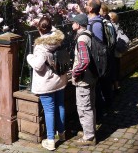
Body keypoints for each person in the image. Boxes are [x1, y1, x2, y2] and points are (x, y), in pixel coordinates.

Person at [26, 16, 67, 151]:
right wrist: (46, 24)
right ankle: (61, 134)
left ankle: (50, 141)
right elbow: (53, 30)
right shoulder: (57, 38)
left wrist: (29, 57)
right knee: (60, 106)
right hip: (59, 78)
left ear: (39, 29)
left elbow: (38, 66)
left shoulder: (41, 45)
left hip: (47, 81)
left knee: (49, 110)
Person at [69, 13, 97, 146]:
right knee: (90, 106)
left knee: (84, 108)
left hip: (84, 80)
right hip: (91, 77)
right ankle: (89, 131)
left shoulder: (81, 40)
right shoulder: (89, 34)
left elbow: (85, 60)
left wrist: (75, 72)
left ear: (78, 24)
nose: (72, 24)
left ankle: (89, 137)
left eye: (73, 22)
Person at [86, 0, 113, 117]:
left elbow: (99, 45)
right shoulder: (96, 20)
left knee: (100, 86)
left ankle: (102, 111)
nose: (85, 6)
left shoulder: (95, 24)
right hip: (97, 61)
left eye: (87, 4)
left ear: (91, 8)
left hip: (97, 61)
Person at [108, 11, 130, 91]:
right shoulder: (117, 26)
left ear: (112, 19)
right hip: (117, 53)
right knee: (116, 69)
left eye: (109, 17)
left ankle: (115, 87)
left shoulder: (112, 27)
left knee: (114, 70)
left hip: (114, 52)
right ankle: (116, 86)